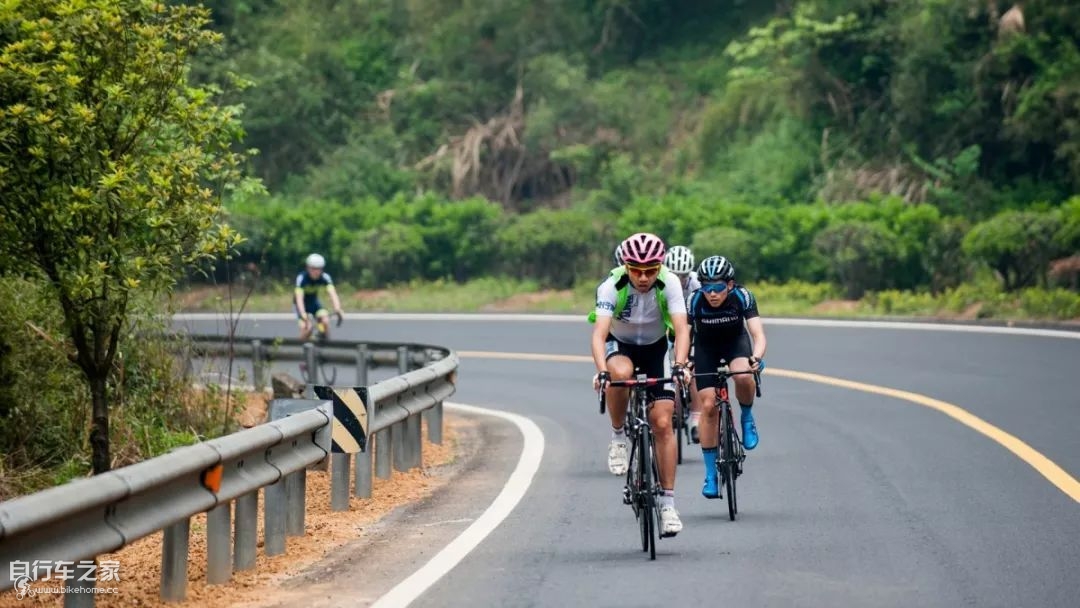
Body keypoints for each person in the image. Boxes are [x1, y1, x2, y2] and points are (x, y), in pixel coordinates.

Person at [589, 233, 692, 536]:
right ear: (626, 266)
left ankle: (668, 504)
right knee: (619, 373)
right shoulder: (612, 285)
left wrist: (680, 364)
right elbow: (598, 335)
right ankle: (619, 436)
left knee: (662, 423)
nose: (644, 277)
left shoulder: (670, 282)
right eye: (637, 270)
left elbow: (682, 330)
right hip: (620, 346)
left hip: (656, 349)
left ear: (661, 266)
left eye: (651, 270)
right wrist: (601, 371)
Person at [688, 255, 767, 499]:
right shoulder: (694, 301)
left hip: (735, 343)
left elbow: (758, 334)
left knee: (743, 375)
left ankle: (746, 417)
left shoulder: (742, 297)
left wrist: (756, 356)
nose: (712, 294)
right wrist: (683, 362)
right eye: (707, 288)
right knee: (709, 405)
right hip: (705, 349)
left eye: (718, 288)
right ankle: (711, 474)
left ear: (730, 285)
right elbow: (684, 335)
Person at [663, 245, 702, 441]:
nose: (679, 280)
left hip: (690, 328)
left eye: (683, 276)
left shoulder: (697, 284)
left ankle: (696, 418)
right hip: (667, 327)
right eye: (675, 275)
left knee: (692, 369)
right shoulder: (660, 281)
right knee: (668, 367)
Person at [294, 253, 344, 340]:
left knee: (325, 321)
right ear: (307, 268)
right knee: (308, 327)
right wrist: (303, 314)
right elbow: (299, 298)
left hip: (314, 304)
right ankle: (300, 347)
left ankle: (325, 342)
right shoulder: (302, 278)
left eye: (319, 269)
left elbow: (332, 294)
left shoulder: (325, 277)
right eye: (313, 268)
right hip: (301, 306)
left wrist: (337, 309)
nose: (316, 272)